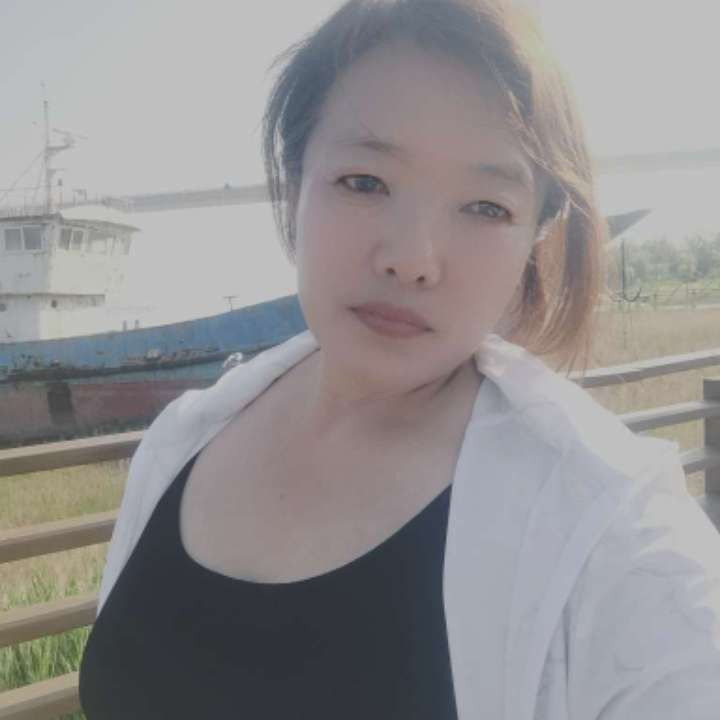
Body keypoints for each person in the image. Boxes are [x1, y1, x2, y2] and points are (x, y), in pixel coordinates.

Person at [78, 0, 720, 718]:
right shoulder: (180, 441)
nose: (412, 258)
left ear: (535, 237)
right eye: (365, 182)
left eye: (486, 207)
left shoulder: (615, 534)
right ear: (295, 182)